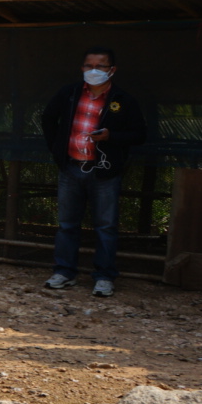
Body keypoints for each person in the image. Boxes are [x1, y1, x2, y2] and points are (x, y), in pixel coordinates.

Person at [40, 45, 148, 298]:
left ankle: (104, 277)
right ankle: (64, 272)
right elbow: (47, 118)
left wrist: (112, 137)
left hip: (104, 173)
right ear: (82, 68)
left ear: (112, 70)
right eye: (89, 66)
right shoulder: (70, 93)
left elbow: (140, 134)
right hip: (71, 168)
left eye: (100, 66)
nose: (94, 70)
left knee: (106, 226)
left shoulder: (123, 100)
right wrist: (57, 150)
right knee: (67, 224)